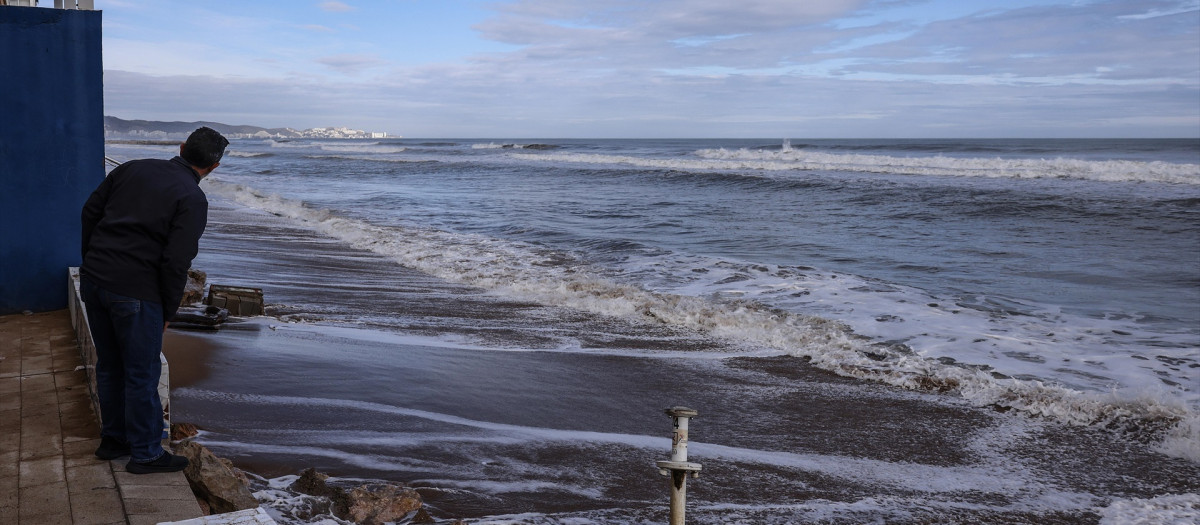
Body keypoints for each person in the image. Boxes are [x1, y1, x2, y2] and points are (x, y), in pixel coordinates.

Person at [80, 126, 228, 474]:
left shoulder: (132, 168)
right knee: (141, 373)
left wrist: (92, 261)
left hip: (97, 280)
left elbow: (89, 213)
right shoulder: (192, 198)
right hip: (136, 292)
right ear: (214, 166)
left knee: (110, 365)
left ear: (181, 147)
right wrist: (168, 309)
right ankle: (146, 453)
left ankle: (113, 439)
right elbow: (176, 261)